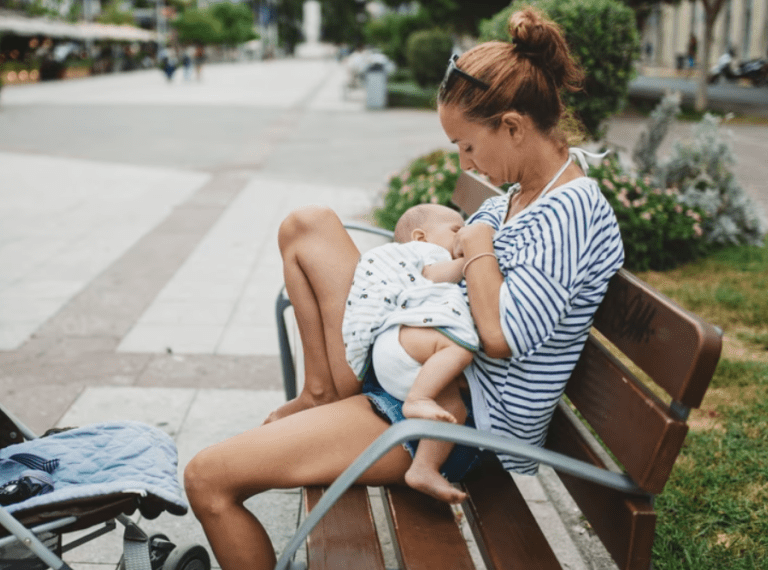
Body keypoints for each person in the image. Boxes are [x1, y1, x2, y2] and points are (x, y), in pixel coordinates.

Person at [183, 8, 625, 570]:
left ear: (513, 127)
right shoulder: (517, 196)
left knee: (207, 479)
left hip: (450, 420)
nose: (466, 163)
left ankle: (334, 400)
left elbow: (498, 337)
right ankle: (322, 392)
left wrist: (478, 242)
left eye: (468, 146)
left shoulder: (572, 211)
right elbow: (454, 269)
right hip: (414, 362)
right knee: (308, 225)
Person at [342, 203, 479, 503]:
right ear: (420, 237)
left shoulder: (424, 249)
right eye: (456, 230)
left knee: (453, 410)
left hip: (407, 365)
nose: (462, 235)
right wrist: (474, 258)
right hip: (402, 343)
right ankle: (418, 399)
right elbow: (433, 275)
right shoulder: (425, 252)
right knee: (457, 349)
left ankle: (424, 468)